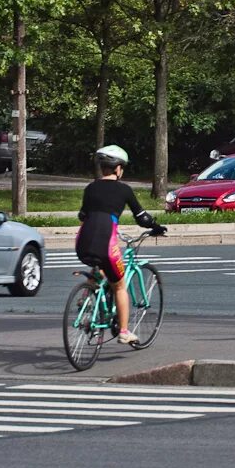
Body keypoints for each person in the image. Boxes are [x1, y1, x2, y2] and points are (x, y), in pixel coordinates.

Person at [75, 145, 165, 345]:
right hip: (106, 243)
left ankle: (87, 294)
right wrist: (156, 227)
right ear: (118, 169)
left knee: (98, 265)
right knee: (119, 286)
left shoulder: (91, 187)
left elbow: (82, 215)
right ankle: (124, 331)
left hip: (82, 242)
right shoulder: (124, 189)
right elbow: (142, 218)